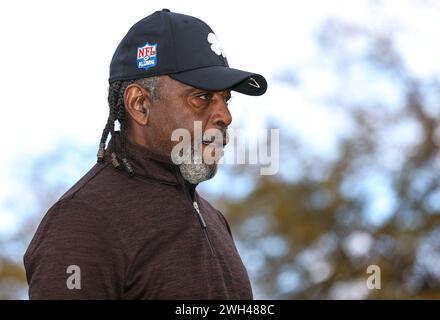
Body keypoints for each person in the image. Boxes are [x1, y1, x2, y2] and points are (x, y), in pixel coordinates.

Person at [24, 8, 267, 299]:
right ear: (140, 104)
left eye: (225, 99)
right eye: (202, 97)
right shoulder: (83, 220)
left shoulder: (213, 218)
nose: (225, 116)